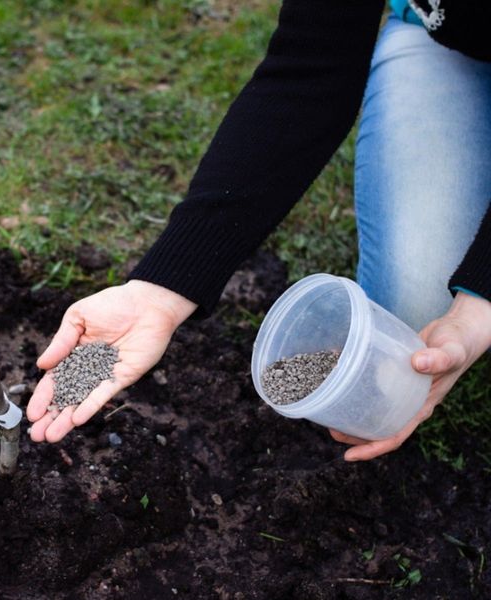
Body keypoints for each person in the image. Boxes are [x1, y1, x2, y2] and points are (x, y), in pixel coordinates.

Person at [26, 0, 491, 461]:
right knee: (411, 325)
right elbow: (310, 71)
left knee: (448, 325)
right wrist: (164, 287)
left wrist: (478, 307)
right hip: (454, 50)